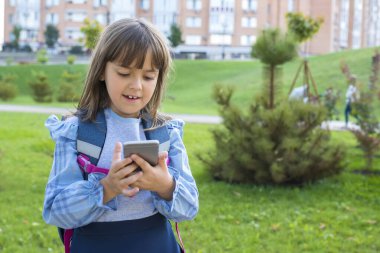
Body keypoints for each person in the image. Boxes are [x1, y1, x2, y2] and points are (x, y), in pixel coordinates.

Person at [42, 18, 199, 253]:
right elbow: (55, 211)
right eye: (124, 73)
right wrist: (106, 188)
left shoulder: (167, 133)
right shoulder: (75, 132)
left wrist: (165, 185)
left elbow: (189, 207)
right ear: (102, 71)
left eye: (148, 77)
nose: (136, 86)